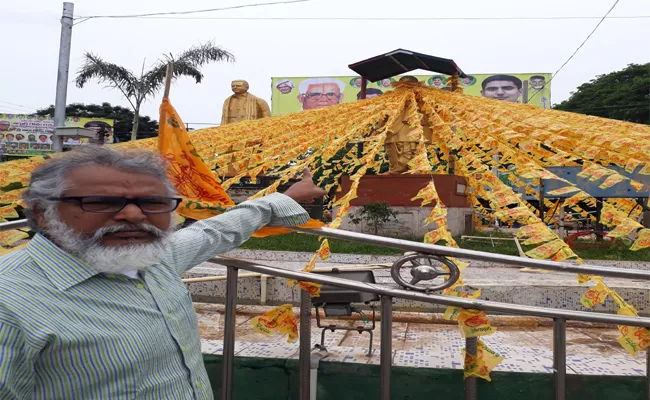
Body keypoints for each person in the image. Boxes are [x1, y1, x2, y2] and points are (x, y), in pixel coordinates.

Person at [0, 145, 325, 399]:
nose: (132, 214)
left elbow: (214, 232)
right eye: (100, 201)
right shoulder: (10, 303)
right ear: (43, 213)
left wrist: (284, 199)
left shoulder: (153, 259)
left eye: (152, 202)